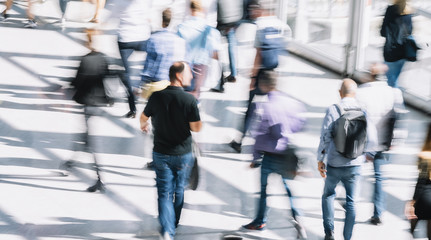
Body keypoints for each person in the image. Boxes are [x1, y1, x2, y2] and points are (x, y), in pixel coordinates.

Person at [140, 62, 202, 240]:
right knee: (179, 189)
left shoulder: (156, 97)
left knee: (164, 191)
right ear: (179, 76)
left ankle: (167, 230)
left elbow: (144, 117)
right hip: (183, 154)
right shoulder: (189, 100)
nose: (191, 77)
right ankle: (172, 223)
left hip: (161, 152)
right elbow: (196, 128)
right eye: (189, 73)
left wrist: (144, 125)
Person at [241, 70, 307, 239]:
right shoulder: (292, 103)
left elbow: (259, 135)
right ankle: (297, 217)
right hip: (286, 155)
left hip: (269, 156)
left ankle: (260, 220)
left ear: (263, 85)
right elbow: (300, 121)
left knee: (264, 190)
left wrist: (255, 158)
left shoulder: (263, 106)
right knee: (287, 189)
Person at [317, 79, 376, 240]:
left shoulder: (333, 109)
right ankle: (347, 237)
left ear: (340, 92)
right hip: (355, 164)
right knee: (351, 201)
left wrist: (320, 159)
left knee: (328, 195)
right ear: (354, 93)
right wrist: (367, 154)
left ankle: (329, 233)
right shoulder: (363, 110)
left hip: (335, 164)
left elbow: (325, 137)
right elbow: (373, 138)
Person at [229, 0, 289, 153]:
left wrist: (253, 78)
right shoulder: (282, 25)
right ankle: (272, 142)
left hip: (262, 74)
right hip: (274, 73)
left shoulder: (260, 26)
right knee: (273, 106)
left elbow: (258, 55)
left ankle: (239, 142)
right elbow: (283, 49)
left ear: (262, 9)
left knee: (251, 107)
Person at [355, 63, 405, 225]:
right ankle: (378, 213)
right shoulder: (394, 93)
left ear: (371, 75)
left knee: (355, 173)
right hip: (383, 142)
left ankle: (350, 204)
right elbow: (399, 119)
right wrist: (397, 141)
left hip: (362, 142)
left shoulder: (360, 92)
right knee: (379, 178)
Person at [67, 29, 111, 192]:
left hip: (87, 103)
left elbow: (77, 82)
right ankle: (71, 161)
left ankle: (99, 178)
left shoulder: (85, 60)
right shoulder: (103, 59)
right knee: (85, 136)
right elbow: (107, 78)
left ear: (88, 42)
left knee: (90, 141)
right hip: (99, 103)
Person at [105, 0, 151, 118]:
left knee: (127, 74)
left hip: (125, 39)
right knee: (150, 64)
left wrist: (101, 25)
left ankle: (133, 109)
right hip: (143, 37)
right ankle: (142, 86)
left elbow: (112, 15)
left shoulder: (120, 2)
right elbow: (148, 15)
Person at [177, 0, 220, 99]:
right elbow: (214, 53)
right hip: (201, 66)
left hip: (185, 65)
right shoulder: (209, 30)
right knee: (196, 93)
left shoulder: (181, 27)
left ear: (190, 9)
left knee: (183, 93)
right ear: (202, 10)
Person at [140, 8, 186, 100]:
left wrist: (142, 82)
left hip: (156, 84)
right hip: (172, 84)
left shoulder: (153, 39)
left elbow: (148, 65)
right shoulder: (179, 41)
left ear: (161, 21)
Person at [209, 0, 243, 93]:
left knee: (218, 51)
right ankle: (233, 74)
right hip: (233, 19)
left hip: (224, 21)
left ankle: (219, 82)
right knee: (231, 47)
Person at [405, 123, 431, 240]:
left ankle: (412, 232)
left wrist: (412, 202)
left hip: (427, 197)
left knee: (418, 213)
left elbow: (421, 181)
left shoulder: (426, 155)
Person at [380, 0, 413, 88]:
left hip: (391, 52)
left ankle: (395, 100)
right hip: (403, 52)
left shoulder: (391, 10)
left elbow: (383, 32)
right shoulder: (409, 12)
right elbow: (409, 32)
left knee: (391, 82)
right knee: (395, 80)